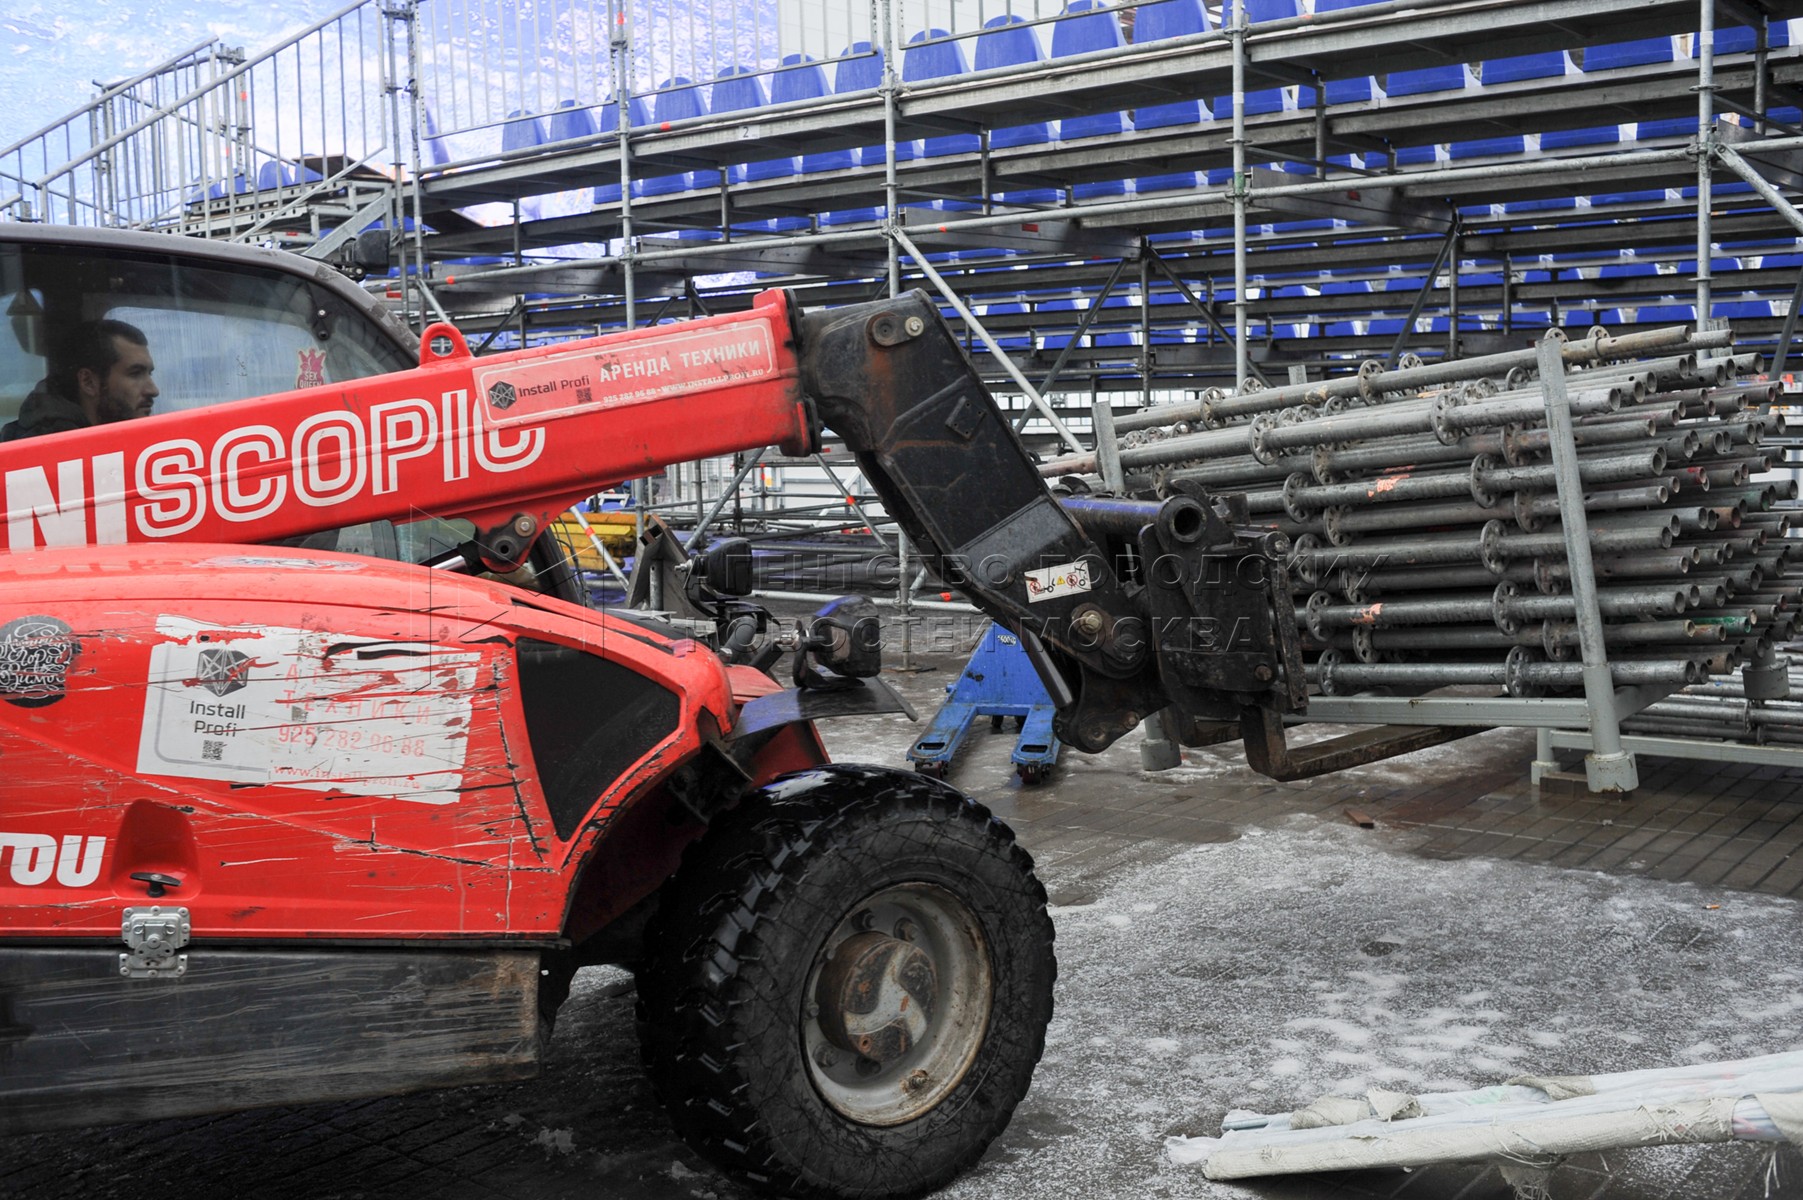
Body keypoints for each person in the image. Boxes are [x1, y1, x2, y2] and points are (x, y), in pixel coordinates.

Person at [1, 318, 159, 441]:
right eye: (135, 373)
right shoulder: (53, 452)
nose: (153, 390)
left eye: (149, 374)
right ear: (88, 382)